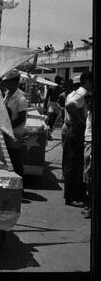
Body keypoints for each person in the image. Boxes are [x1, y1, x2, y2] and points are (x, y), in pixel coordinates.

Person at [62, 71, 93, 207]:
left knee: (75, 164)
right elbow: (69, 106)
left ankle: (77, 193)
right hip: (76, 131)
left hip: (72, 130)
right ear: (87, 81)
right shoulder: (82, 93)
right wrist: (80, 120)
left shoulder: (76, 93)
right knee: (74, 165)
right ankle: (71, 196)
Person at [1, 69, 28, 177]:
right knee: (7, 161)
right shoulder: (7, 94)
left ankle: (19, 187)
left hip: (14, 134)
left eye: (7, 81)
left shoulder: (21, 98)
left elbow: (21, 118)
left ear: (14, 82)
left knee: (15, 160)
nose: (5, 83)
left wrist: (8, 127)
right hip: (6, 132)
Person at [81, 91, 92, 218]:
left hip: (90, 146)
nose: (88, 104)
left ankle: (90, 208)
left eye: (90, 101)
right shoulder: (89, 114)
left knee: (90, 179)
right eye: (86, 101)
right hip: (87, 145)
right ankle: (88, 206)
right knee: (87, 179)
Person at [43, 75, 64, 140]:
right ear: (58, 80)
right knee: (52, 121)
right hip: (55, 105)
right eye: (60, 80)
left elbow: (47, 98)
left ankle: (48, 134)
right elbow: (47, 98)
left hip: (53, 104)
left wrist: (45, 107)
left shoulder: (52, 87)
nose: (61, 82)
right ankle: (48, 134)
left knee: (52, 121)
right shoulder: (59, 88)